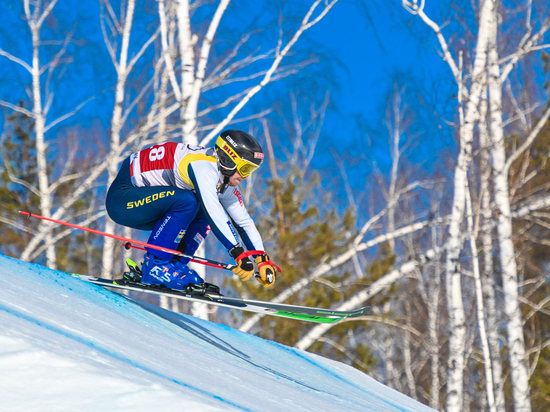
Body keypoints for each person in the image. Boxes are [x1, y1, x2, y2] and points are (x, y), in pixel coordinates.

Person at [105, 129, 278, 290]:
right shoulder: (203, 166)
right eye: (245, 168)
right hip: (122, 199)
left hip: (146, 202)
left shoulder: (224, 180)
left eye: (251, 170)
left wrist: (262, 259)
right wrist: (238, 253)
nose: (246, 176)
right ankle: (156, 265)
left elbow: (243, 221)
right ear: (228, 160)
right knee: (189, 202)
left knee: (198, 208)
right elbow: (213, 211)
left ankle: (173, 265)